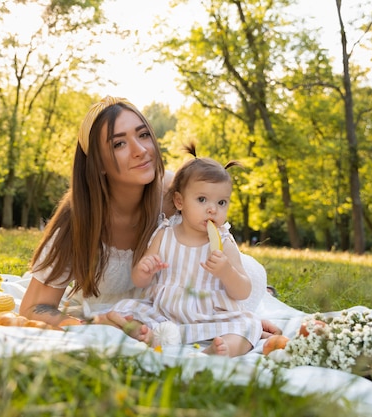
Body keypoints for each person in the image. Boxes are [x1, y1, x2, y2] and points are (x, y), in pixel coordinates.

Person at [19, 96, 281, 339]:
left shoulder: (173, 196)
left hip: (188, 299)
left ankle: (262, 298)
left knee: (252, 275)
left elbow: (214, 235)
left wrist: (244, 322)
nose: (140, 150)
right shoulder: (76, 221)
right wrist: (90, 325)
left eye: (143, 135)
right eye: (119, 143)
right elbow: (33, 307)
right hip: (135, 312)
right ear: (98, 163)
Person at [107, 145, 263, 357]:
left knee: (249, 325)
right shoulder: (165, 234)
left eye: (221, 202)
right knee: (124, 309)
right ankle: (148, 335)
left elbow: (243, 291)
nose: (212, 209)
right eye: (202, 200)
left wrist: (227, 272)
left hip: (209, 317)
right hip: (165, 313)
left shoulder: (224, 242)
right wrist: (145, 270)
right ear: (179, 201)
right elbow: (139, 281)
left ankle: (222, 349)